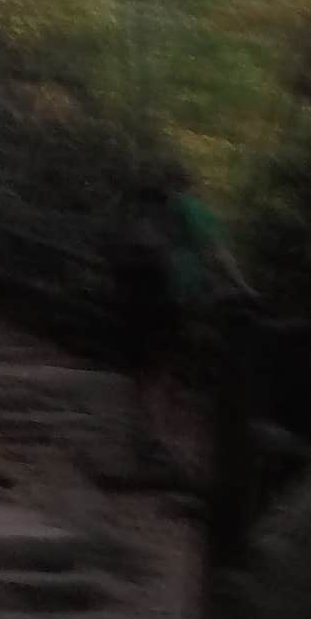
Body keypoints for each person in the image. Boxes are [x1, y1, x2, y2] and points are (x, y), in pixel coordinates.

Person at [111, 164, 229, 471]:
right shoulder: (190, 211)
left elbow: (111, 249)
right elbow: (216, 252)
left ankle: (145, 432)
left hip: (133, 298)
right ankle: (161, 440)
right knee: (166, 369)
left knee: (142, 369)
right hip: (173, 299)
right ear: (188, 185)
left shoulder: (135, 211)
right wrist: (243, 286)